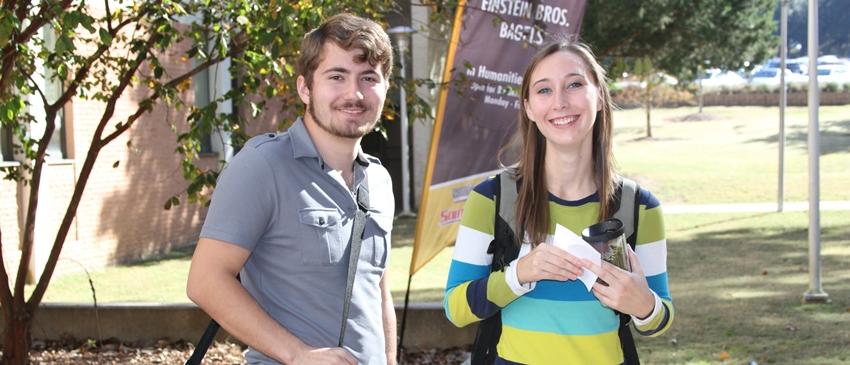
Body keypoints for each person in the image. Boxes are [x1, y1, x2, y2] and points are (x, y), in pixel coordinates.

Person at [444, 40, 674, 364]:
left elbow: (660, 316)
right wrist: (518, 274)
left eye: (575, 84)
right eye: (544, 90)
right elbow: (455, 308)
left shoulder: (639, 206)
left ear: (598, 96)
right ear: (528, 107)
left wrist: (643, 305)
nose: (560, 102)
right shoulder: (491, 199)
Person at [187, 13, 396, 365]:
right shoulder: (262, 165)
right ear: (305, 88)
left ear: (385, 88)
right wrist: (298, 355)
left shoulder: (379, 180)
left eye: (369, 78)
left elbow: (377, 290)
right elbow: (205, 281)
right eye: (337, 76)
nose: (354, 93)